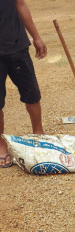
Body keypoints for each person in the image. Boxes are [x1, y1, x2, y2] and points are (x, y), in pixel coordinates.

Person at [0, 0, 47, 168]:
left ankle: (38, 133)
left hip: (17, 45)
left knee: (32, 93)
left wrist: (36, 37)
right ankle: (1, 145)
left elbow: (20, 3)